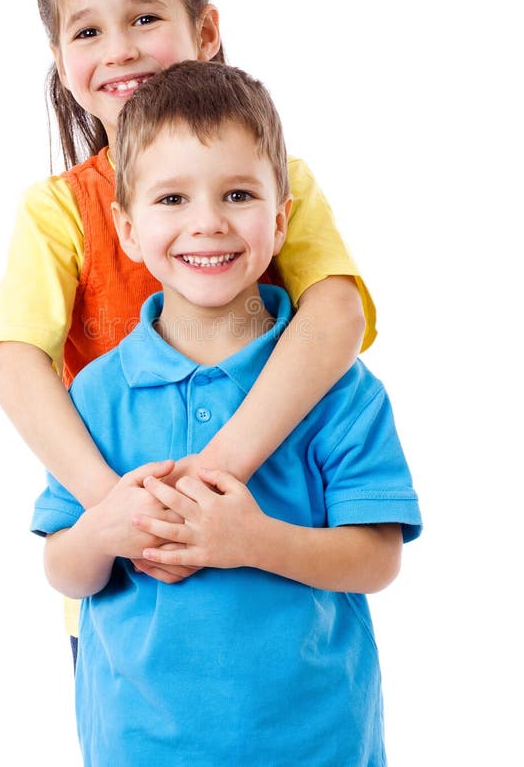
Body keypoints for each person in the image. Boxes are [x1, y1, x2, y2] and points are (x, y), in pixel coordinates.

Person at [0, 0, 377, 646]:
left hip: (275, 556)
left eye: (143, 18)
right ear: (63, 68)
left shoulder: (278, 184)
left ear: (205, 30)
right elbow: (16, 362)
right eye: (88, 31)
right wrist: (117, 511)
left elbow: (336, 317)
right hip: (131, 589)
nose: (120, 49)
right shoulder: (58, 211)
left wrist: (216, 475)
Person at [32, 60, 422, 766]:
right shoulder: (95, 394)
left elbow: (378, 558)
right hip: (136, 744)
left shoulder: (336, 388)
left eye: (237, 194)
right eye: (172, 199)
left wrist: (249, 540)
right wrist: (102, 530)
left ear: (279, 221)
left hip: (315, 742)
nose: (206, 223)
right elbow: (63, 568)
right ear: (125, 228)